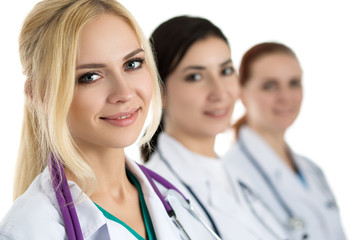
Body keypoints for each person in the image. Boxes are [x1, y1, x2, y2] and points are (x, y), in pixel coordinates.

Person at [0, 1, 223, 239]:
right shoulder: (30, 228)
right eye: (90, 76)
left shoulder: (173, 200)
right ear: (40, 94)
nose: (125, 93)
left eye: (132, 64)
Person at [142, 16, 288, 240]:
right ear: (159, 92)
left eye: (226, 71)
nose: (220, 92)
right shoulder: (155, 194)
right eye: (196, 76)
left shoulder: (239, 174)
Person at [223, 42, 347, 240]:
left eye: (294, 83)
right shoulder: (230, 176)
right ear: (242, 92)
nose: (285, 96)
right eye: (270, 86)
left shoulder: (312, 171)